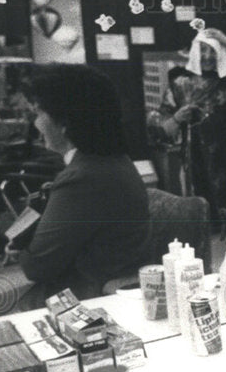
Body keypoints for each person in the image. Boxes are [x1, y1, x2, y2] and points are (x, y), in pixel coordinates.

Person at [14, 65, 150, 304]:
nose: (35, 124)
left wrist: (20, 244)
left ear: (64, 122)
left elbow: (36, 267)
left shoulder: (82, 177)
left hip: (82, 297)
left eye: (38, 113)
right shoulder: (113, 161)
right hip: (94, 285)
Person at [162, 27, 226, 219]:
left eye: (213, 50)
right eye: (202, 50)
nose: (208, 56)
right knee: (201, 220)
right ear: (194, 52)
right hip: (195, 166)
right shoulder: (180, 83)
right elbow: (164, 130)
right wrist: (177, 117)